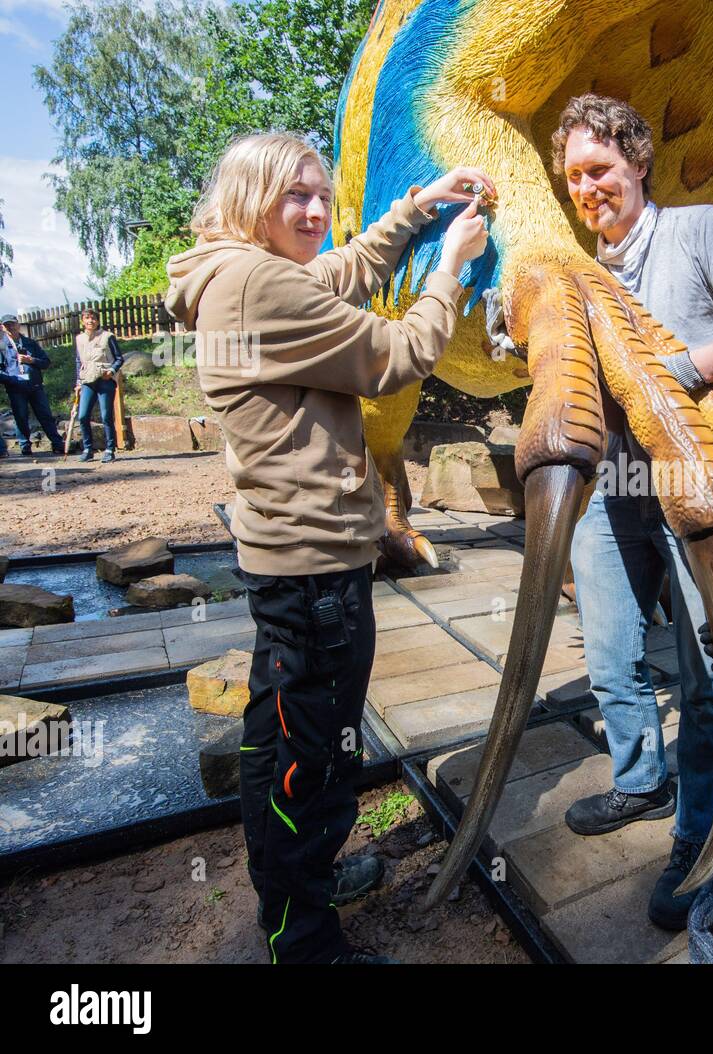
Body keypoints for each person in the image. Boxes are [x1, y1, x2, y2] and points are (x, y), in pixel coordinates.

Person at [165, 132, 492, 965]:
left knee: (278, 741)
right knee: (312, 759)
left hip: (290, 564)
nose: (314, 210)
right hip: (315, 569)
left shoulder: (234, 273)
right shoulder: (254, 287)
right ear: (249, 204)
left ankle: (292, 891)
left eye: (319, 193)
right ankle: (304, 941)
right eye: (294, 197)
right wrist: (451, 261)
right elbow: (399, 355)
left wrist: (413, 213)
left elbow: (334, 275)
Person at [551, 95, 713, 930]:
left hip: (700, 490)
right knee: (612, 653)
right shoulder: (580, 268)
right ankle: (639, 780)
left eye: (602, 170)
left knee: (708, 670)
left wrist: (679, 374)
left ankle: (701, 834)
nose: (590, 189)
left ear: (639, 161)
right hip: (611, 493)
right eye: (575, 175)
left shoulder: (698, 230)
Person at [0, 314, 66, 457]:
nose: (10, 327)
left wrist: (32, 360)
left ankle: (57, 443)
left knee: (45, 415)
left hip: (35, 386)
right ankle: (25, 446)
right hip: (16, 388)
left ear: (18, 325)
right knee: (21, 417)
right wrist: (11, 380)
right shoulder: (2, 346)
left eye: (12, 324)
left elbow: (46, 362)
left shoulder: (30, 343)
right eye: (7, 325)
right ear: (3, 328)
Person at [73, 309, 124, 463]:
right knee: (82, 416)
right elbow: (78, 361)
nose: (90, 321)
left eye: (93, 318)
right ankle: (88, 449)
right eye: (87, 319)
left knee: (106, 416)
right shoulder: (79, 339)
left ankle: (109, 449)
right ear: (83, 321)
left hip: (104, 380)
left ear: (98, 320)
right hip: (88, 381)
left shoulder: (107, 337)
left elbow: (119, 358)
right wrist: (78, 382)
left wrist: (111, 371)